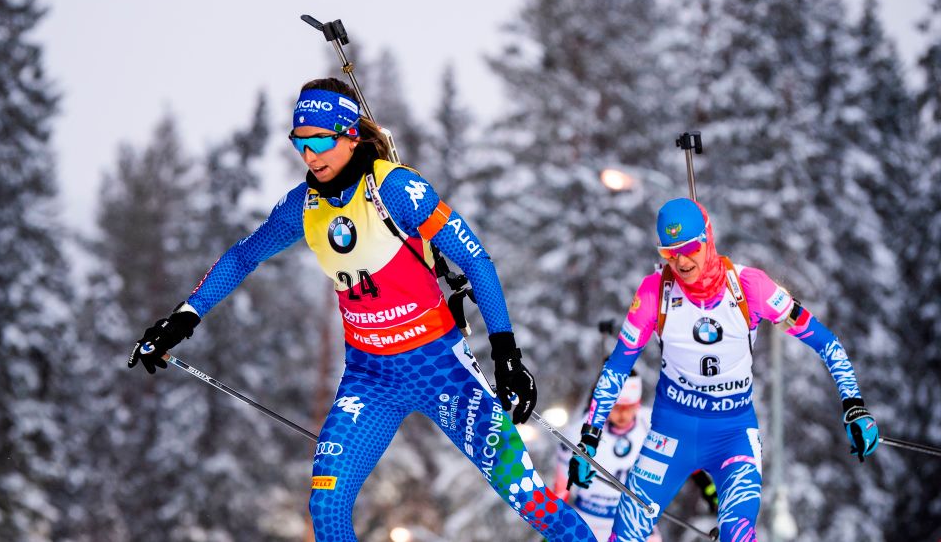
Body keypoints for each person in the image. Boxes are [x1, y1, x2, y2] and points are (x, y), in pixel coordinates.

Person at [128, 77, 599, 541]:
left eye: (320, 142)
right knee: (326, 506)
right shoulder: (304, 205)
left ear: (350, 136)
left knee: (531, 501)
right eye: (300, 143)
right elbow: (243, 255)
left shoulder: (395, 188)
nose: (310, 156)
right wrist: (182, 318)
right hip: (370, 378)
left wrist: (507, 355)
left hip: (440, 369)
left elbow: (475, 259)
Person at [568, 198, 878, 542]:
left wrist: (854, 405)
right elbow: (617, 368)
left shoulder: (750, 287)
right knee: (625, 536)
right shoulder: (654, 293)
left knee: (738, 535)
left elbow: (825, 342)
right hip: (671, 434)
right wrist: (589, 437)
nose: (682, 262)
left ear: (707, 238)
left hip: (733, 434)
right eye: (670, 253)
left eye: (689, 248)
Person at [555, 371, 717, 541]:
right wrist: (553, 521)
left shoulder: (651, 424)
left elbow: (682, 458)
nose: (623, 414)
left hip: (634, 518)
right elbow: (561, 486)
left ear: (637, 403)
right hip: (589, 519)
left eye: (629, 406)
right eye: (617, 407)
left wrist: (708, 488)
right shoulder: (580, 433)